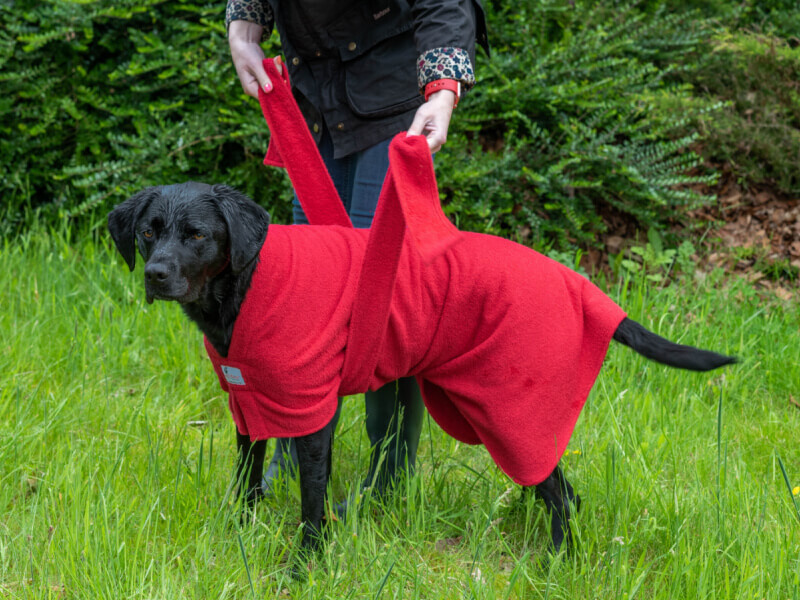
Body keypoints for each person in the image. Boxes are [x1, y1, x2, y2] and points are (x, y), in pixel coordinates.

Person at [225, 0, 489, 502]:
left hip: (392, 102)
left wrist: (443, 91)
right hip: (314, 103)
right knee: (309, 291)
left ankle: (390, 474)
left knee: (387, 296)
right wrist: (244, 27)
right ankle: (296, 444)